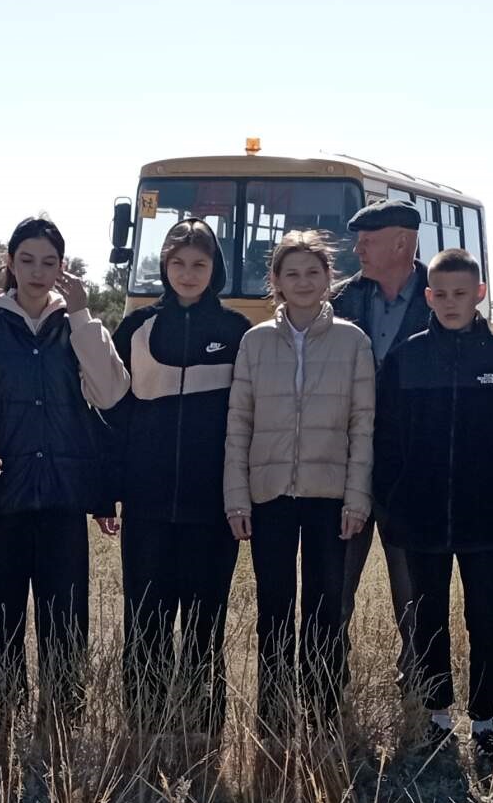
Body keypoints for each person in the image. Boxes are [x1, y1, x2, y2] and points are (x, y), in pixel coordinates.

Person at [0, 216, 129, 729]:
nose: (37, 271)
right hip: (1, 499)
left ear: (63, 268)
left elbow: (112, 392)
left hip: (65, 498)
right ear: (10, 262)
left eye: (49, 262)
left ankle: (62, 724)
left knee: (66, 620)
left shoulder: (78, 325)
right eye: (27, 260)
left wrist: (86, 315)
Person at [371, 248, 493, 767]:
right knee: (427, 618)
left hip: (488, 518)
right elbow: (385, 434)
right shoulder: (407, 358)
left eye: (461, 294)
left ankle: (486, 718)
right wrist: (394, 493)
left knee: (488, 618)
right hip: (419, 517)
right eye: (441, 294)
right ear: (429, 297)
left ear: (480, 295)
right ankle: (438, 717)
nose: (450, 302)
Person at [224, 232, 374, 727]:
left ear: (329, 279)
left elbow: (362, 425)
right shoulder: (255, 340)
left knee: (326, 605)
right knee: (274, 605)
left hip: (331, 497)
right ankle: (274, 711)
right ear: (276, 283)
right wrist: (236, 498)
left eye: (313, 272)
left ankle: (324, 709)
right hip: (269, 497)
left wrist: (357, 497)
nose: (303, 282)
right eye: (292, 274)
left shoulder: (354, 341)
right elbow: (238, 422)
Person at [111, 219, 250, 741]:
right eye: (177, 263)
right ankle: (144, 728)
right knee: (144, 619)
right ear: (163, 267)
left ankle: (203, 729)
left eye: (199, 264)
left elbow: (247, 419)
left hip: (212, 507)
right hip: (146, 506)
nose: (188, 273)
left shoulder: (239, 332)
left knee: (204, 623)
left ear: (214, 269)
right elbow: (114, 416)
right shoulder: (137, 328)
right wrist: (111, 491)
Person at [332, 200, 428, 659]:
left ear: (401, 243)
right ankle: (326, 684)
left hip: (411, 471)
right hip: (345, 465)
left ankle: (418, 691)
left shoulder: (443, 296)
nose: (358, 250)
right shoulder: (340, 301)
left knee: (414, 596)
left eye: (368, 241)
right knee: (334, 589)